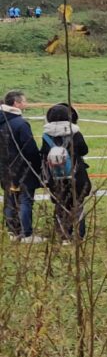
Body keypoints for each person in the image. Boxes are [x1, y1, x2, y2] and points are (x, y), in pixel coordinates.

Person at [39, 103, 90, 242]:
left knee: (60, 205)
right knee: (77, 205)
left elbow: (43, 153)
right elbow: (84, 150)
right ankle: (79, 235)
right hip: (76, 174)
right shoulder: (75, 133)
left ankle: (64, 236)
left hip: (56, 177)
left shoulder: (46, 135)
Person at [1, 90, 43, 243]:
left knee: (10, 198)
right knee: (25, 199)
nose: (26, 103)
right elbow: (30, 148)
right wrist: (37, 165)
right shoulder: (20, 123)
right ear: (16, 103)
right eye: (24, 101)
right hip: (22, 168)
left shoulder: (3, 121)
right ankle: (26, 234)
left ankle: (13, 231)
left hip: (5, 168)